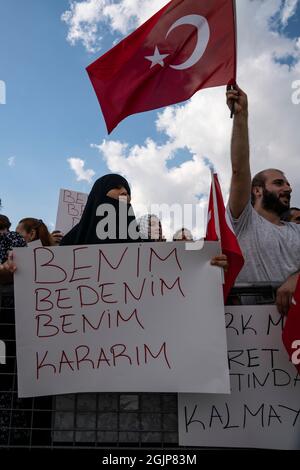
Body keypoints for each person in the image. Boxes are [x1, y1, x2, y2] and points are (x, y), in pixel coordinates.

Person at [226, 85, 300, 315]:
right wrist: (241, 115)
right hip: (252, 337)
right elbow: (239, 170)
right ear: (257, 191)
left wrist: (296, 280)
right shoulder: (244, 220)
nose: (287, 188)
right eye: (278, 183)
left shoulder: (296, 231)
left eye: (287, 183)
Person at [0, 214, 26, 284]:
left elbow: (14, 254)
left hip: (15, 277)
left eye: (1, 228)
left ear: (7, 227)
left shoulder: (12, 236)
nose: (0, 232)